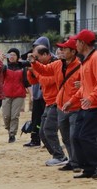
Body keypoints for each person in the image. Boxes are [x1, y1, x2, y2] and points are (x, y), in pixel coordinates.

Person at [62, 29, 97, 179]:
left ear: (83, 43)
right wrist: (71, 101)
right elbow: (84, 86)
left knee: (86, 136)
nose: (75, 44)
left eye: (77, 41)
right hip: (86, 105)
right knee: (76, 136)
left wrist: (91, 98)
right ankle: (88, 168)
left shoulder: (96, 58)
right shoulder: (86, 60)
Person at [33, 36, 81, 172]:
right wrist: (34, 64)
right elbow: (44, 70)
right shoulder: (58, 64)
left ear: (73, 52)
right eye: (61, 49)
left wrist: (82, 85)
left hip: (74, 105)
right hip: (60, 105)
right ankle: (72, 161)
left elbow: (90, 82)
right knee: (66, 136)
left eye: (64, 49)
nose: (61, 51)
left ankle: (76, 161)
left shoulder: (80, 66)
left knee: (73, 135)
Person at [31, 43, 67, 166]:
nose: (37, 60)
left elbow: (48, 81)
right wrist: (31, 70)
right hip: (48, 101)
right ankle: (57, 155)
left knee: (49, 130)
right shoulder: (43, 65)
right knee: (42, 132)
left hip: (56, 101)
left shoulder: (57, 63)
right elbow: (33, 81)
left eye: (37, 57)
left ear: (46, 54)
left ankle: (60, 156)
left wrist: (36, 71)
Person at [1, 48, 28, 143]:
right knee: (6, 116)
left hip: (19, 95)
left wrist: (30, 93)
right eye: (10, 55)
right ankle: (9, 129)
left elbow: (26, 82)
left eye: (14, 55)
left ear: (18, 57)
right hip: (6, 94)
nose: (11, 57)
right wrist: (1, 60)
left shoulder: (22, 68)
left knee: (14, 116)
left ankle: (12, 134)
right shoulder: (4, 67)